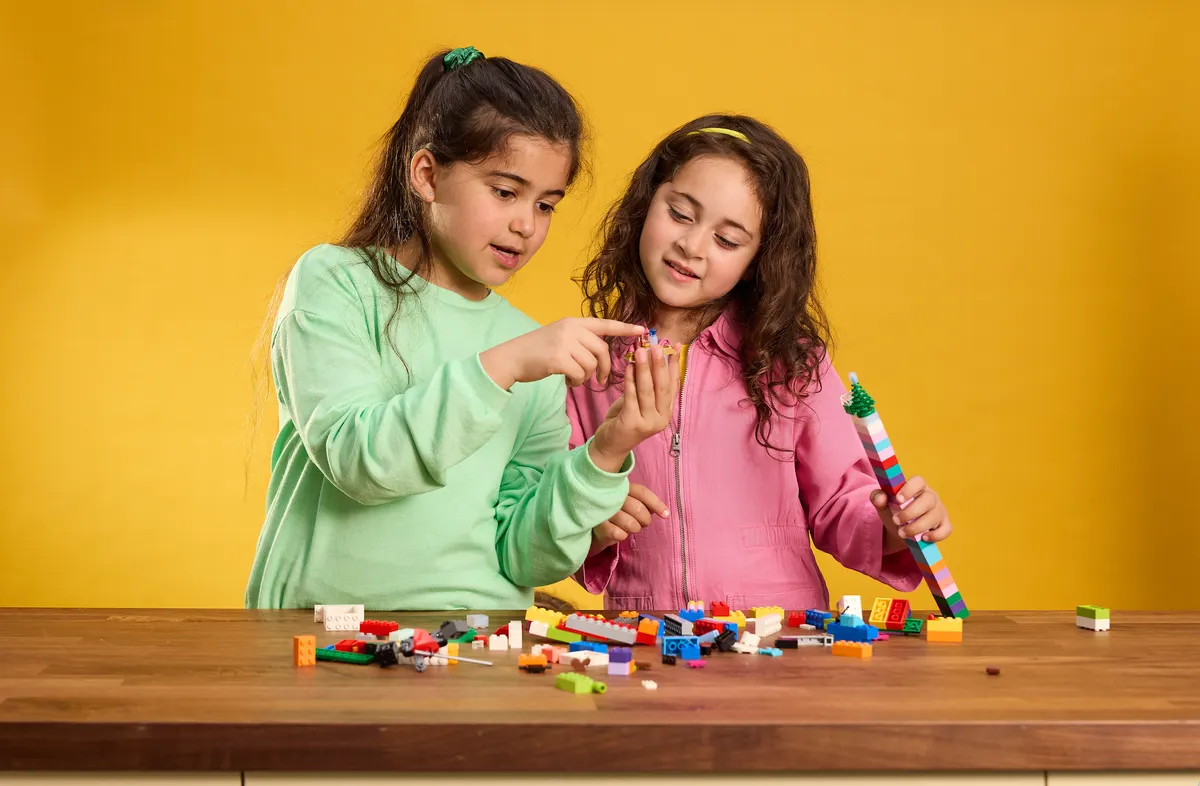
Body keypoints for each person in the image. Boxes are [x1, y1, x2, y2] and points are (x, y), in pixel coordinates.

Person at [245, 47, 677, 610]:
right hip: (327, 630)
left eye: (546, 205)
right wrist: (505, 366)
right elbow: (359, 462)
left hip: (478, 645)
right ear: (426, 174)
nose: (526, 225)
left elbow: (527, 558)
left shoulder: (533, 353)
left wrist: (604, 454)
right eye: (505, 192)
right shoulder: (337, 281)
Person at [568, 114, 953, 611]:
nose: (692, 245)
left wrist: (895, 525)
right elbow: (553, 519)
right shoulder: (588, 362)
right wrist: (594, 529)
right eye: (680, 214)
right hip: (646, 636)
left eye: (728, 240)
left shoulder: (790, 365)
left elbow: (842, 502)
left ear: (759, 259)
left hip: (778, 633)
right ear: (646, 204)